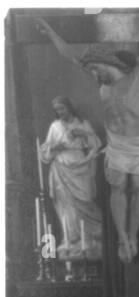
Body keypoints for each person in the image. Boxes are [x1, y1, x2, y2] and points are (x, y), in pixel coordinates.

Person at [37, 14, 139, 262]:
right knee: (117, 188)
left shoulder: (138, 75)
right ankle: (123, 237)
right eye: (91, 70)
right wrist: (50, 32)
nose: (93, 74)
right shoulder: (102, 81)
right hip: (117, 144)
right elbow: (70, 54)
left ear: (106, 62)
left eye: (95, 69)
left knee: (137, 187)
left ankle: (133, 235)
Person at [39, 96, 102, 259]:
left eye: (62, 108)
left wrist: (84, 134)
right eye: (57, 110)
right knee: (67, 205)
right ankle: (72, 240)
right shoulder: (55, 126)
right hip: (61, 168)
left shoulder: (82, 123)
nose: (60, 112)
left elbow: (96, 143)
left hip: (81, 165)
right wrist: (57, 146)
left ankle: (92, 237)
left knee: (86, 199)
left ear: (70, 107)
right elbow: (46, 153)